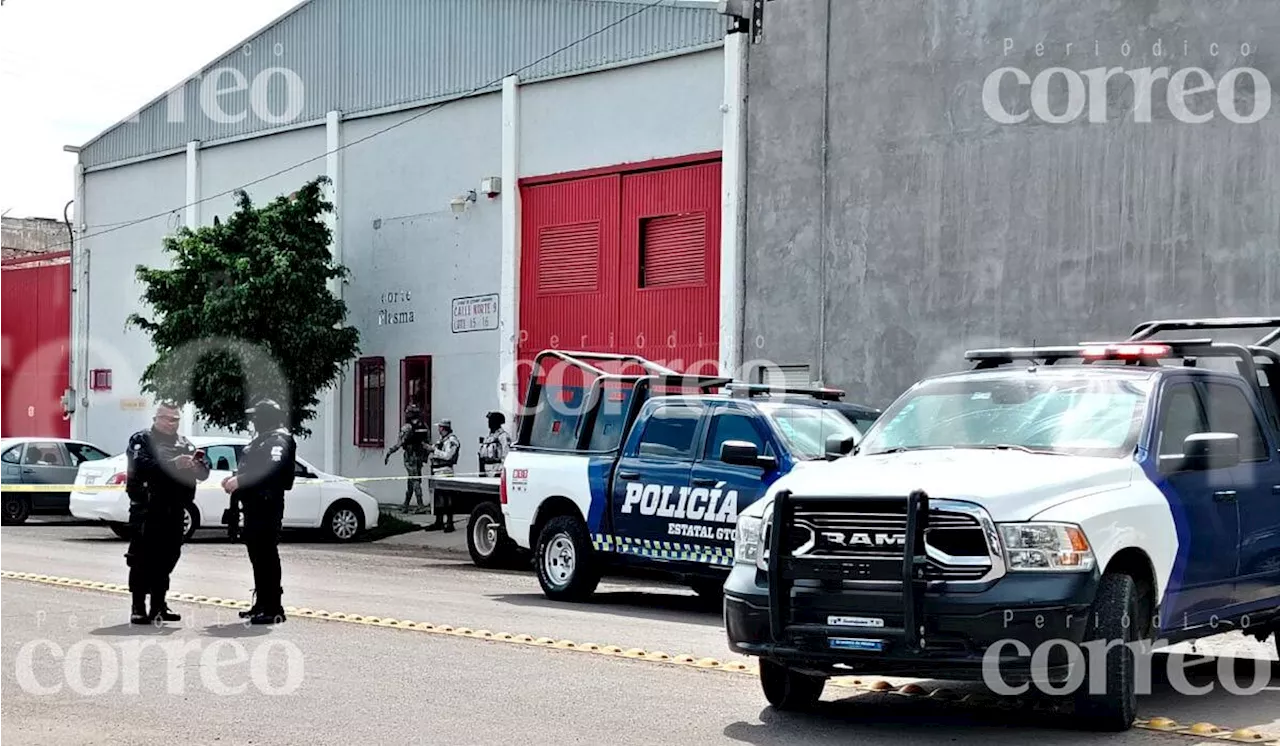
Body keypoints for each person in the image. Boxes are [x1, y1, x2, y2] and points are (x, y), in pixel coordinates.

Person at [124, 401, 209, 625]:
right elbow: (141, 465)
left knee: (168, 557)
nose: (172, 423)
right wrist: (173, 464)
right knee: (142, 558)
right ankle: (138, 606)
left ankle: (159, 606)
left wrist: (196, 466)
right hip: (148, 508)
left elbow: (204, 473)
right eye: (168, 419)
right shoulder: (141, 440)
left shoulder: (184, 443)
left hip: (175, 508)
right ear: (156, 419)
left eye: (176, 420)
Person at [222, 398, 297, 625]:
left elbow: (272, 471)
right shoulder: (260, 441)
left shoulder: (279, 440)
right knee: (257, 557)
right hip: (253, 507)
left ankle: (274, 606)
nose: (253, 420)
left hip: (267, 507)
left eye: (257, 416)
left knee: (266, 556)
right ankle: (262, 603)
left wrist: (241, 480)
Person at [384, 404, 432, 513]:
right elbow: (428, 442)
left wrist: (389, 453)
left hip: (410, 456)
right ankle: (406, 504)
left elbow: (399, 443)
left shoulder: (407, 427)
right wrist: (425, 456)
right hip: (420, 456)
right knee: (412, 479)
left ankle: (420, 505)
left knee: (415, 479)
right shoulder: (424, 425)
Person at [424, 419, 461, 532]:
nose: (438, 429)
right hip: (436, 471)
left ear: (443, 428)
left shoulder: (452, 440)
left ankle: (449, 523)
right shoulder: (442, 440)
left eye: (439, 427)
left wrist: (435, 451)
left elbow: (448, 456)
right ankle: (438, 521)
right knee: (437, 498)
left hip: (445, 471)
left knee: (447, 497)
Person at [478, 411, 511, 478]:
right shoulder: (488, 437)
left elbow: (506, 454)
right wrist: (481, 471)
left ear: (496, 422)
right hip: (486, 469)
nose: (489, 422)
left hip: (496, 468)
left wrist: (500, 471)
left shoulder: (503, 436)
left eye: (491, 420)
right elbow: (481, 455)